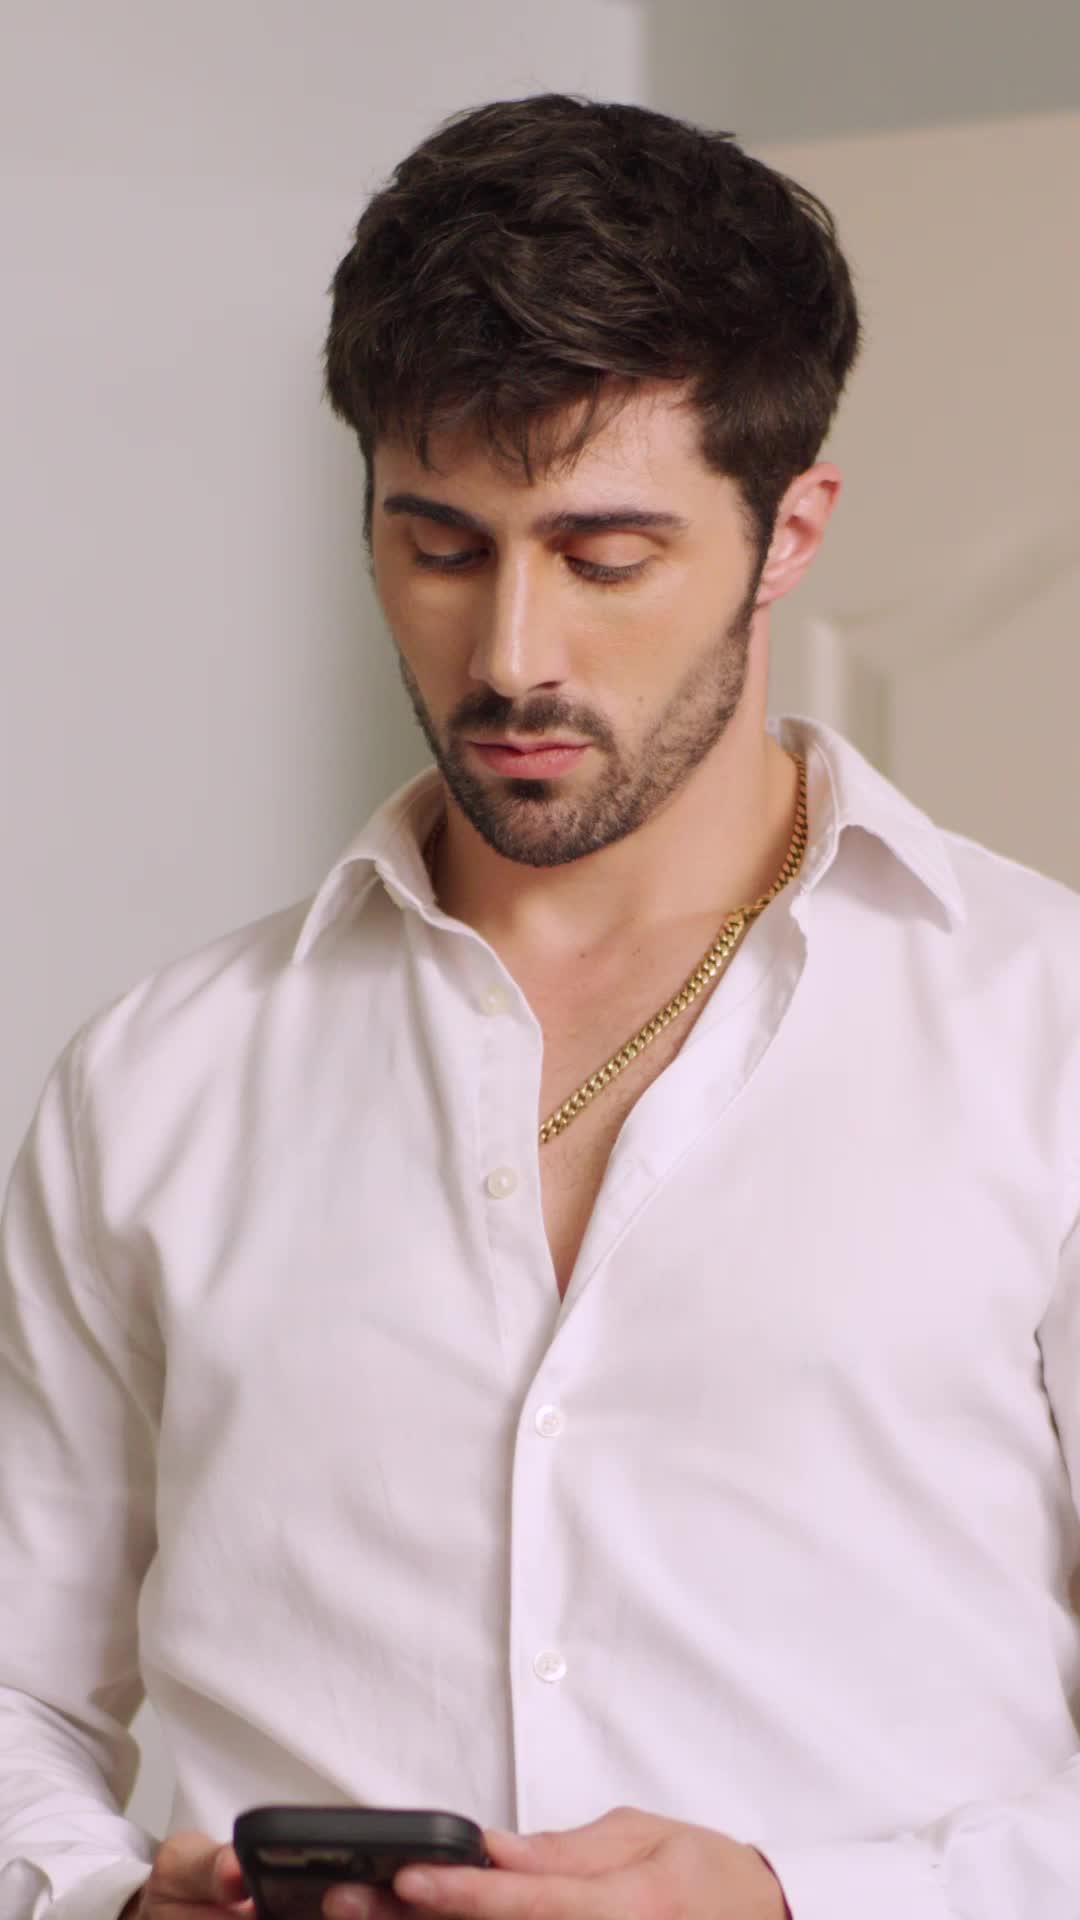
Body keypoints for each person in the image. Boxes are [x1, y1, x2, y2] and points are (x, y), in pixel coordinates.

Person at [1, 89, 1078, 1920]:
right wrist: (106, 1901)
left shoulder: (1043, 1038)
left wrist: (795, 1901)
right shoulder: (158, 1081)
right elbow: (20, 1692)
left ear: (790, 531)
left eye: (604, 558)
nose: (510, 656)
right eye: (439, 546)